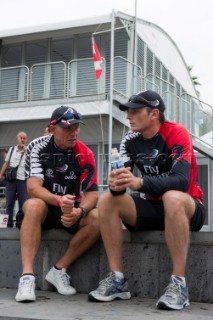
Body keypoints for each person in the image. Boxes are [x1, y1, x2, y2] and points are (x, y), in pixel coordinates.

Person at [88, 90, 205, 310]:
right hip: (154, 207)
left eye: (135, 111)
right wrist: (116, 185)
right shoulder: (130, 141)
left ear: (154, 114)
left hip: (188, 206)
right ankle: (117, 280)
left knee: (172, 197)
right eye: (128, 111)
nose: (129, 116)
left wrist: (139, 183)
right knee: (106, 201)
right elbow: (121, 188)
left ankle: (179, 285)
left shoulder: (177, 132)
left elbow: (180, 181)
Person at [15, 106, 100, 302]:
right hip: (45, 207)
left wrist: (80, 211)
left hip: (70, 212)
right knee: (34, 204)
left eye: (77, 127)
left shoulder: (85, 153)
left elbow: (93, 194)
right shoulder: (38, 146)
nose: (74, 133)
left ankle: (59, 269)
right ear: (53, 129)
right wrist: (59, 200)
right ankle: (27, 277)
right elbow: (33, 188)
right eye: (68, 128)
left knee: (98, 217)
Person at [0, 131, 28, 227]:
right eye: (21, 137)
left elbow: (32, 160)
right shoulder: (12, 149)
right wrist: (0, 174)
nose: (22, 140)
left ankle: (21, 223)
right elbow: (6, 163)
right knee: (9, 203)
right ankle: (9, 223)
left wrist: (24, 148)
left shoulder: (28, 150)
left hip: (22, 180)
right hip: (11, 180)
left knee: (23, 203)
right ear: (17, 139)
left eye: (24, 138)